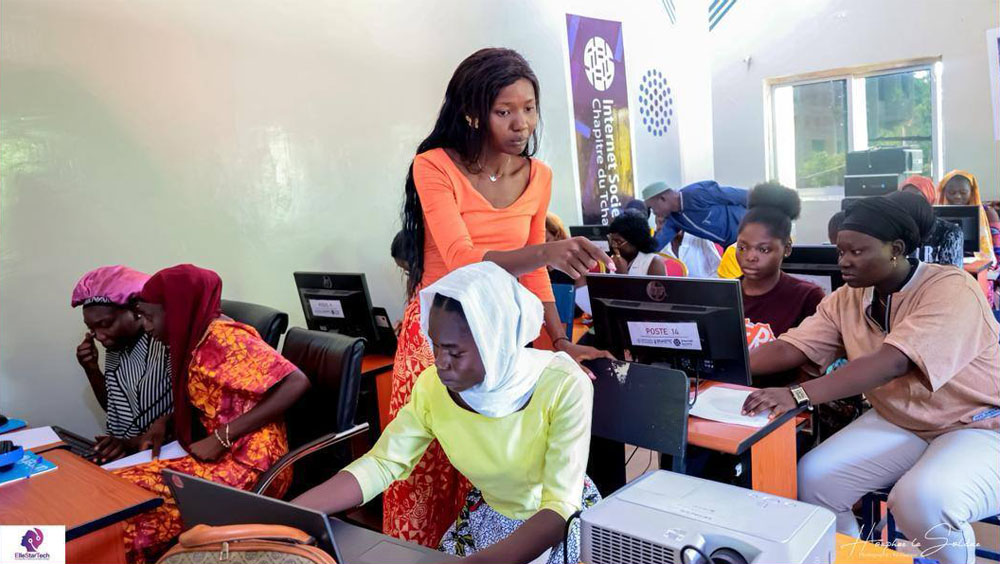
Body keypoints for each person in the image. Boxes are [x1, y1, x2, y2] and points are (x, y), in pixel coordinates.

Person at [393, 47, 614, 547]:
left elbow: (534, 278)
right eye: (504, 111)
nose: (521, 123)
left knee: (503, 472)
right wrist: (545, 251)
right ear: (474, 113)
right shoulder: (434, 166)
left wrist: (559, 340)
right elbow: (459, 257)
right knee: (424, 476)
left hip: (505, 341)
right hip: (440, 338)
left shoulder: (538, 176)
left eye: (529, 108)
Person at [741, 196, 1000, 564]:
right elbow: (792, 347)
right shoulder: (847, 298)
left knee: (920, 500)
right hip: (904, 420)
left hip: (979, 424)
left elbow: (892, 362)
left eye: (856, 251)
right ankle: (855, 558)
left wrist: (798, 394)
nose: (843, 261)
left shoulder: (951, 288)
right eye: (840, 251)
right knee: (814, 481)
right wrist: (720, 359)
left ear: (895, 250)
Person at [294, 262, 599, 564]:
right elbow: (383, 463)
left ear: (497, 343)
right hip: (489, 519)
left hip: (555, 527)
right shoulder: (432, 386)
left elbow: (560, 506)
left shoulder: (563, 384)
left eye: (455, 352)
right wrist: (293, 515)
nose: (440, 361)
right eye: (435, 346)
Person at [114, 265, 311, 563]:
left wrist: (222, 436)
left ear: (177, 310)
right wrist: (165, 421)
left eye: (150, 317)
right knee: (119, 490)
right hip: (225, 453)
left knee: (128, 502)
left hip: (251, 462)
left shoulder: (223, 337)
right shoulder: (197, 337)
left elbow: (297, 381)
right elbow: (217, 396)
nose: (146, 327)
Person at [71, 265, 172, 463]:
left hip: (163, 457)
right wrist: (92, 370)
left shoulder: (163, 342)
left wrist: (128, 444)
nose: (99, 336)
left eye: (105, 324)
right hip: (130, 457)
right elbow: (116, 409)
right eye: (92, 328)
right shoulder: (117, 346)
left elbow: (191, 421)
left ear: (136, 311)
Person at [736, 183, 825, 354]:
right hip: (720, 382)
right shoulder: (724, 294)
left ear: (787, 248)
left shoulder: (807, 297)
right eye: (742, 247)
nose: (750, 256)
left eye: (764, 249)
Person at [643, 180, 749, 250]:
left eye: (653, 208)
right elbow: (656, 246)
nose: (654, 213)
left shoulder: (696, 193)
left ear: (663, 199)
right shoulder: (673, 219)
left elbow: (742, 196)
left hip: (749, 231)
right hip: (733, 246)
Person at [898, 175, 962, 267]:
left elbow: (952, 274)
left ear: (929, 199)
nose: (910, 201)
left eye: (917, 197)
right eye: (905, 196)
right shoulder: (896, 229)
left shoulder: (949, 232)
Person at [938, 169, 999, 266]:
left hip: (981, 266)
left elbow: (997, 248)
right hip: (945, 266)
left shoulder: (989, 213)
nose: (957, 196)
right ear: (944, 192)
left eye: (963, 192)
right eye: (952, 192)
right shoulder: (936, 214)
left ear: (972, 192)